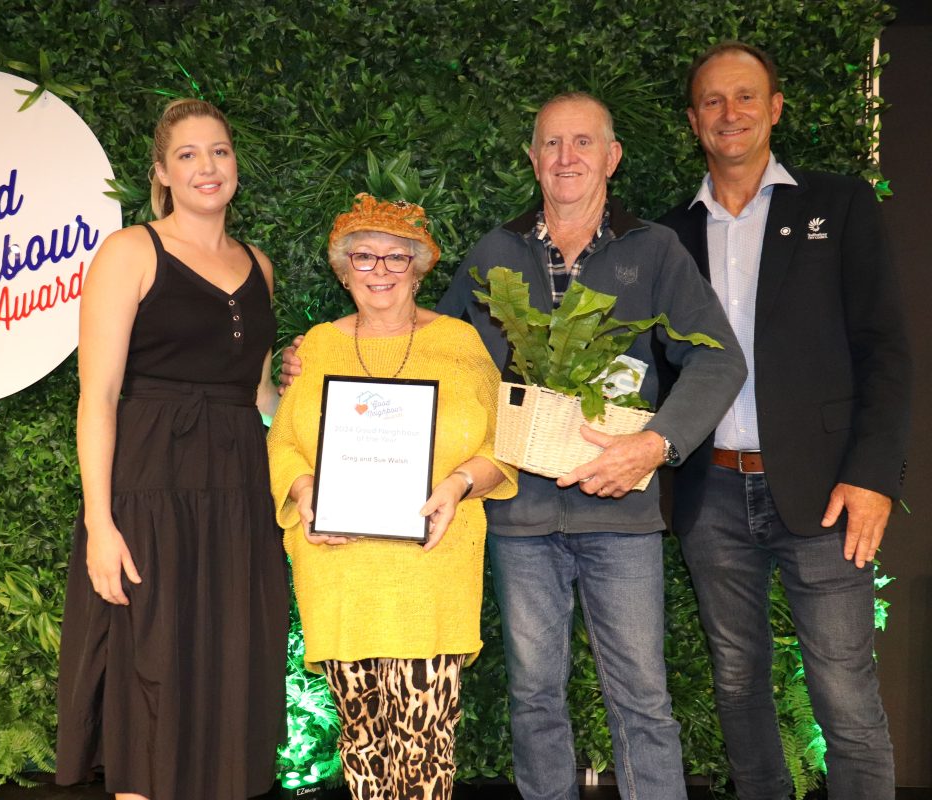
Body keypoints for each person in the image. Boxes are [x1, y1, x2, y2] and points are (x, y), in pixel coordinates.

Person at [282, 94, 746, 800]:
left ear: (611, 157)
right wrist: (304, 365)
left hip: (621, 512)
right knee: (533, 697)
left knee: (643, 698)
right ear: (531, 160)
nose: (567, 158)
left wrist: (655, 446)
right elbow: (436, 354)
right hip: (521, 517)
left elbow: (719, 361)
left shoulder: (653, 250)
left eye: (583, 143)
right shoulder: (496, 254)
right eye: (552, 144)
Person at [659, 42, 911, 800]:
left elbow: (885, 349)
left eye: (745, 97)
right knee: (737, 687)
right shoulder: (670, 234)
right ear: (694, 120)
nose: (728, 114)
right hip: (712, 497)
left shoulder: (837, 204)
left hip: (827, 493)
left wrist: (872, 477)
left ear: (773, 108)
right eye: (712, 101)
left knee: (845, 695)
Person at [55, 98, 289, 800]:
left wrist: (313, 403)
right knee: (148, 667)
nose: (206, 167)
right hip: (151, 486)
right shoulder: (130, 251)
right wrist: (101, 524)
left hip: (238, 491)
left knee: (230, 664)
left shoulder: (260, 266)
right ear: (161, 173)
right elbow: (97, 397)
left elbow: (260, 397)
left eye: (218, 151)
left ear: (235, 166)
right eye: (187, 155)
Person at [267, 194, 517, 798]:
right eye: (364, 257)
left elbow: (500, 446)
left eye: (395, 258)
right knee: (363, 742)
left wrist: (458, 485)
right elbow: (284, 444)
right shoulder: (317, 348)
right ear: (343, 269)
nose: (379, 271)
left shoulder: (459, 344)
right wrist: (305, 492)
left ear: (420, 266)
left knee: (425, 745)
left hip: (431, 570)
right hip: (342, 572)